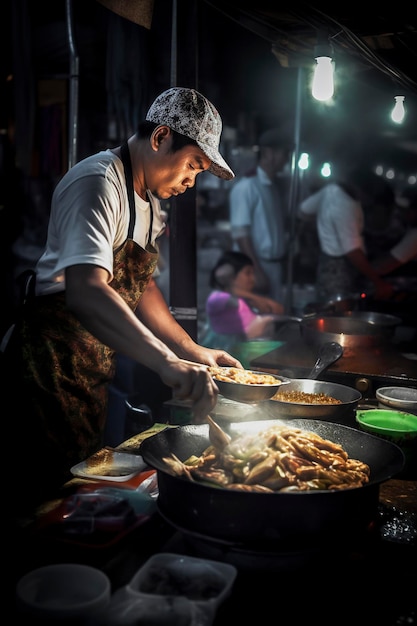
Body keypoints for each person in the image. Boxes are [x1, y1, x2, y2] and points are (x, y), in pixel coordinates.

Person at [2, 87, 241, 510]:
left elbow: (141, 285)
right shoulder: (98, 183)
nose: (191, 180)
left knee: (78, 486)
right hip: (48, 366)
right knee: (43, 497)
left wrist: (190, 349)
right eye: (192, 164)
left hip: (91, 368)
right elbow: (87, 289)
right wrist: (165, 362)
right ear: (160, 137)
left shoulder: (149, 202)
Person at [298, 168, 395, 303]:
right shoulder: (344, 206)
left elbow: (304, 210)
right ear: (361, 189)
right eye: (368, 198)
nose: (367, 202)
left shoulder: (331, 189)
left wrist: (325, 223)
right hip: (337, 271)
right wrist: (377, 282)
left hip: (328, 264)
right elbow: (353, 251)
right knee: (336, 316)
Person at [228, 128, 292, 301]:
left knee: (274, 319)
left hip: (274, 265)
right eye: (284, 153)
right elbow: (241, 235)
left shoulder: (273, 187)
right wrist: (256, 271)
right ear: (268, 153)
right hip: (257, 266)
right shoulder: (247, 187)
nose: (287, 159)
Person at [202, 250, 284, 350]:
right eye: (248, 273)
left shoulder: (245, 299)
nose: (253, 279)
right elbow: (231, 301)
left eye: (253, 273)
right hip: (225, 351)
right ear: (231, 276)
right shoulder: (217, 297)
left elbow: (278, 309)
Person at [372, 187, 417, 276]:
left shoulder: (415, 236)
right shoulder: (408, 225)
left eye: (406, 210)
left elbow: (383, 266)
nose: (399, 212)